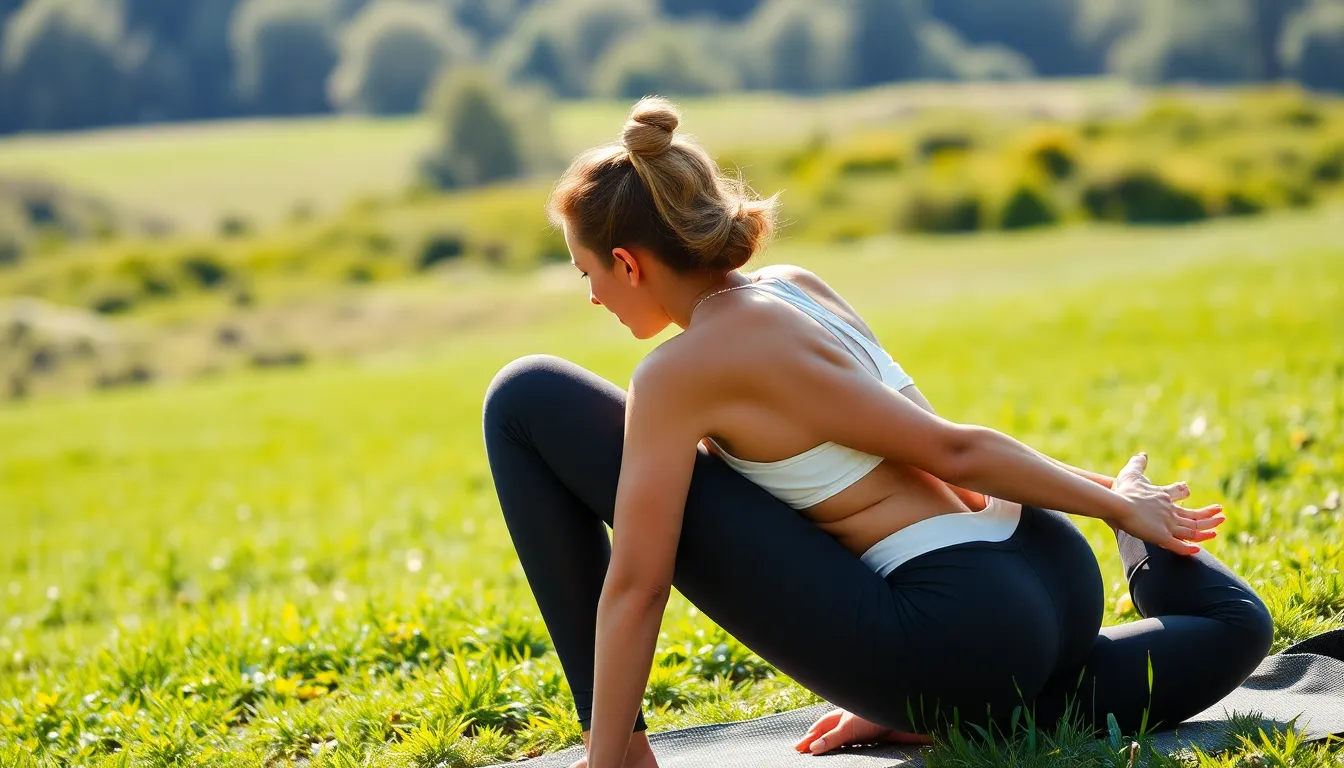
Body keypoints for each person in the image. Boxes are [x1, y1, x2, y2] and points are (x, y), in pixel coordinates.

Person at [481, 97, 1273, 768]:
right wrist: (1115, 501)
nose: (594, 300)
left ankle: (621, 753)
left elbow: (639, 583)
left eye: (588, 275)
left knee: (526, 397)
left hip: (950, 636)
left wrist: (607, 746)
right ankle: (978, 698)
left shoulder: (679, 374)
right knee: (1239, 630)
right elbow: (947, 447)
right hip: (1050, 582)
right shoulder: (798, 290)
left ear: (628, 262)